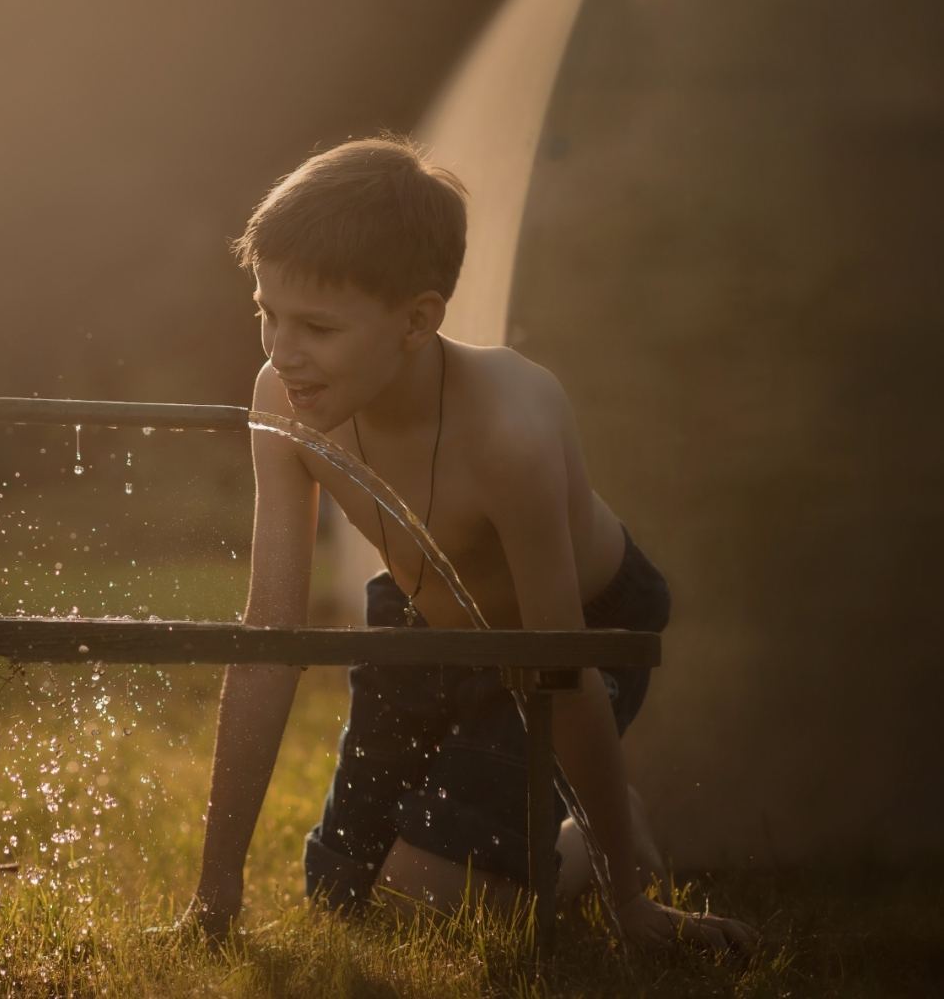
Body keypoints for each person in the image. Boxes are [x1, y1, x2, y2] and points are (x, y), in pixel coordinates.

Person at [188, 134, 755, 950]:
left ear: (417, 321)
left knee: (424, 901)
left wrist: (629, 904)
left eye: (315, 325)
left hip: (572, 624)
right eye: (266, 314)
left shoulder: (509, 430)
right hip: (425, 615)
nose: (281, 350)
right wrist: (216, 892)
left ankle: (588, 838)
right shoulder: (282, 399)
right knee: (340, 896)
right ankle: (525, 825)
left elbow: (562, 670)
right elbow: (268, 641)